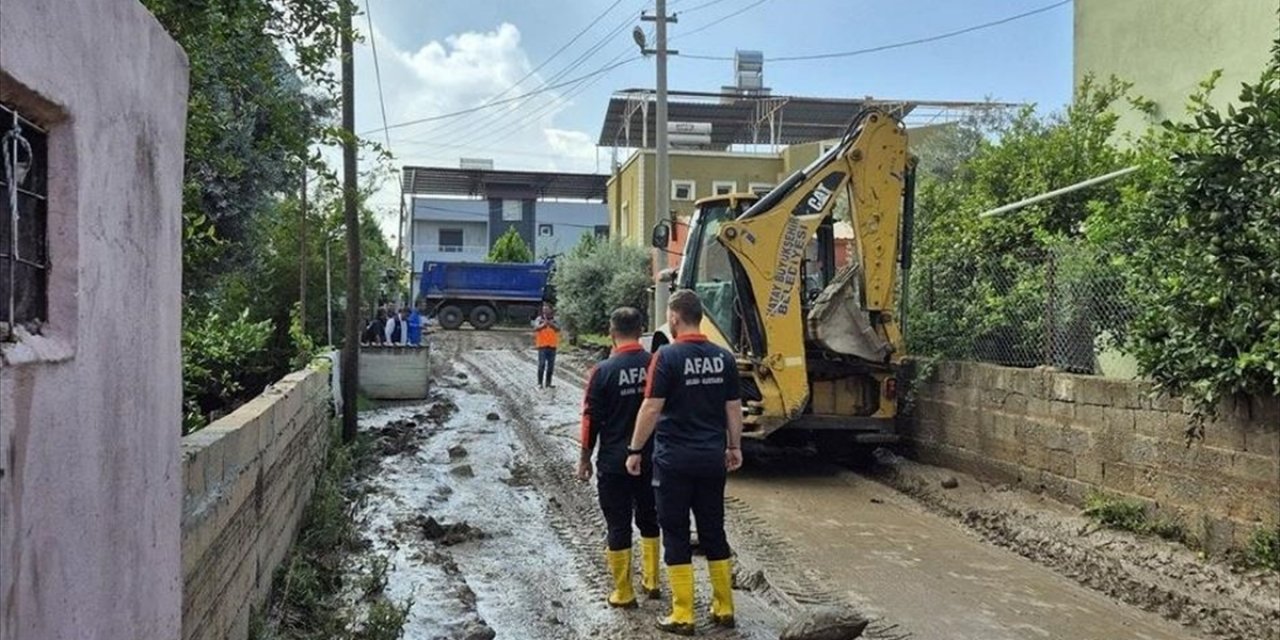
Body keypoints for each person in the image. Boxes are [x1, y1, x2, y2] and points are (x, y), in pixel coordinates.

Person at [627, 289, 743, 635]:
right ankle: (724, 608)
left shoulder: (666, 357)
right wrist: (734, 446)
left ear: (675, 318)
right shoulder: (724, 358)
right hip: (711, 459)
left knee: (675, 532)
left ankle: (683, 614)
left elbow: (651, 407)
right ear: (701, 317)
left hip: (674, 460)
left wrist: (635, 450)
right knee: (713, 530)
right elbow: (733, 408)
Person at [577, 307, 661, 609]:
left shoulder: (602, 372)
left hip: (613, 463)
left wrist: (584, 459)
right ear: (641, 331)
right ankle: (652, 582)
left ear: (612, 333)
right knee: (650, 518)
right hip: (651, 459)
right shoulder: (655, 365)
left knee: (618, 524)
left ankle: (623, 592)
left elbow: (590, 420)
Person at [532, 303, 560, 388]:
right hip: (542, 345)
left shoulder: (555, 319)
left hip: (552, 345)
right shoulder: (539, 319)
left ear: (551, 310)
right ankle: (539, 383)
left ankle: (548, 383)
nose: (545, 311)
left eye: (547, 309)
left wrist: (550, 324)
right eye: (544, 309)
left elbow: (558, 329)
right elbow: (536, 328)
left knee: (551, 366)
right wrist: (544, 324)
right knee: (542, 364)